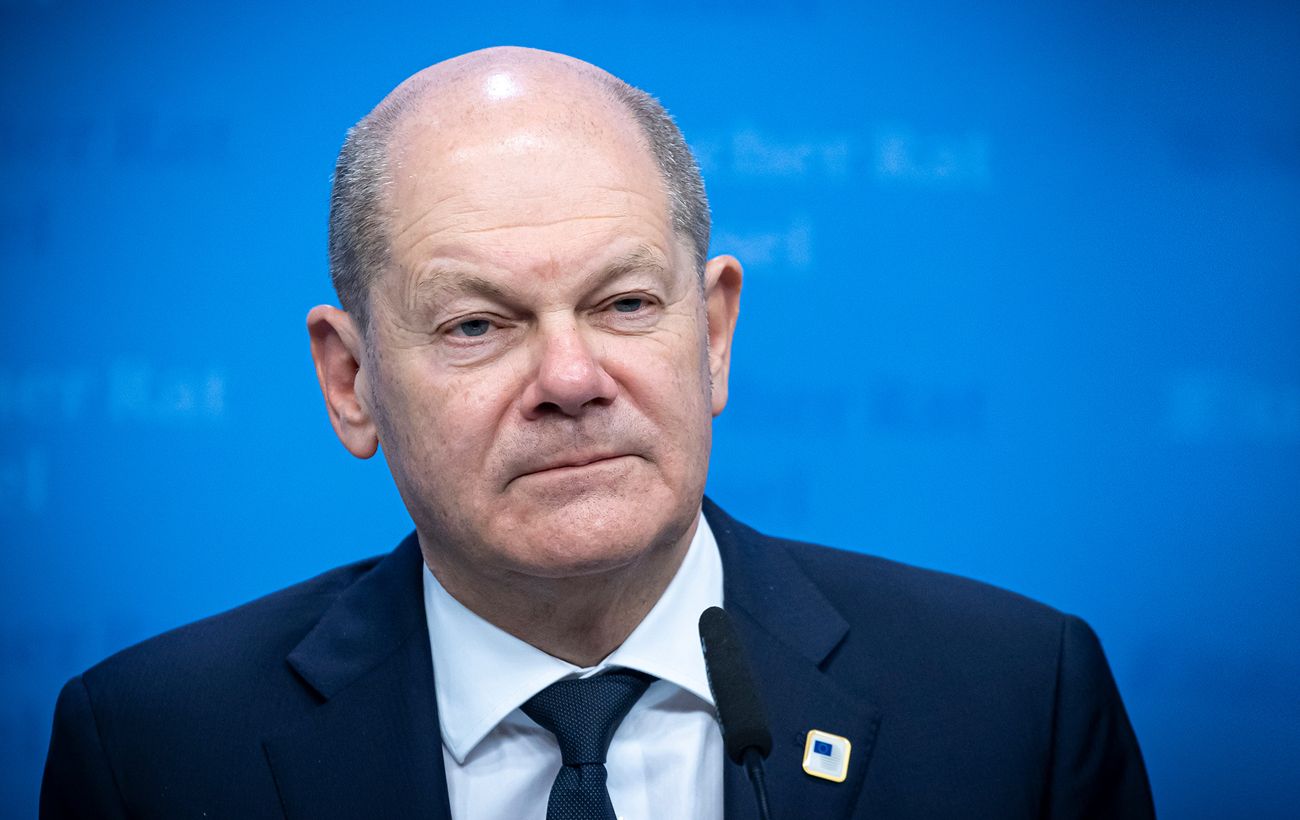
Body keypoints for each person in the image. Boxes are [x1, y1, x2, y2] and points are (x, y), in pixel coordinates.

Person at [40, 47, 1154, 819]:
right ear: (350, 382)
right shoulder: (153, 750)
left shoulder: (1015, 703)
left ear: (712, 335)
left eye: (624, 304)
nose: (571, 380)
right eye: (477, 325)